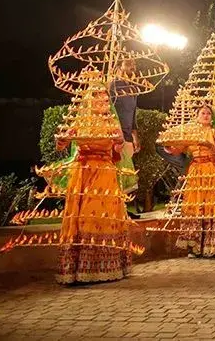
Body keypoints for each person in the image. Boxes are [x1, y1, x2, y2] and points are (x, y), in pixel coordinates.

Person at [54, 80, 138, 283]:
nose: (101, 99)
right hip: (82, 173)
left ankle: (106, 266)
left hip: (104, 174)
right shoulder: (79, 122)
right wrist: (62, 141)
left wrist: (118, 144)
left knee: (101, 217)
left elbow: (117, 151)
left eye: (104, 95)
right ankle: (80, 268)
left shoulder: (112, 123)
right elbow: (61, 146)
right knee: (82, 218)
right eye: (96, 96)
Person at [163, 105, 215, 258]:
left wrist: (208, 144)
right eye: (203, 113)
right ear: (197, 116)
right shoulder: (190, 133)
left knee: (214, 205)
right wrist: (167, 145)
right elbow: (177, 150)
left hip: (212, 170)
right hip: (196, 171)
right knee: (196, 206)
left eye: (209, 113)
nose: (206, 115)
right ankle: (194, 247)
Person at [108, 59, 139, 212]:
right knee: (114, 172)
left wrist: (135, 136)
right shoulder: (112, 85)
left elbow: (133, 114)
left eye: (134, 65)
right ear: (119, 67)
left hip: (127, 136)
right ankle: (112, 209)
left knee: (126, 174)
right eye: (128, 64)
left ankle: (123, 210)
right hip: (114, 136)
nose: (132, 67)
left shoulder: (133, 88)